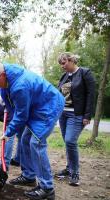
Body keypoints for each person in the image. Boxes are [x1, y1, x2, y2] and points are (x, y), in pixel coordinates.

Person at [0, 62, 64, 200]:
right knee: (25, 140)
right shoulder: (6, 79)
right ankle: (29, 176)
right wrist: (4, 98)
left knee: (36, 143)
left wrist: (8, 132)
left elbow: (22, 115)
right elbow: (11, 105)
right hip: (38, 106)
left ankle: (47, 188)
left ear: (3, 75)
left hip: (49, 106)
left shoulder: (20, 86)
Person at [56, 52, 95, 186]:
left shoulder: (85, 73)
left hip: (76, 114)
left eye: (64, 62)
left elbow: (91, 94)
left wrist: (87, 115)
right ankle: (69, 168)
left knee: (70, 141)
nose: (62, 66)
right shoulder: (64, 76)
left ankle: (75, 173)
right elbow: (59, 95)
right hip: (63, 114)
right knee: (67, 142)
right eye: (60, 64)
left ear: (72, 60)